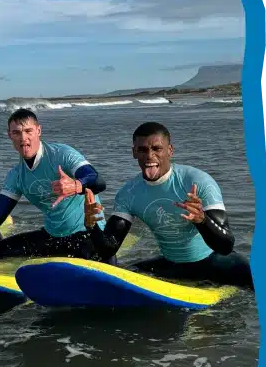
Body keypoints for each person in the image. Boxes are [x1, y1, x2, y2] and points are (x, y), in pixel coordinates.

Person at [84, 122, 253, 289]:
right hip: (172, 265)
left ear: (170, 150)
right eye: (142, 150)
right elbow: (109, 249)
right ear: (134, 152)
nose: (149, 156)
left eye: (157, 149)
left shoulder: (197, 182)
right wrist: (92, 226)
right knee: (128, 273)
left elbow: (225, 246)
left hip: (215, 262)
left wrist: (202, 220)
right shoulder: (128, 193)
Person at [0, 108, 108, 260]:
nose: (23, 138)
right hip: (52, 236)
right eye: (16, 133)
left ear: (38, 130)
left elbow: (98, 181)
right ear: (9, 135)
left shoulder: (62, 154)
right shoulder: (16, 175)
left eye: (28, 131)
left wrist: (76, 185)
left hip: (87, 235)